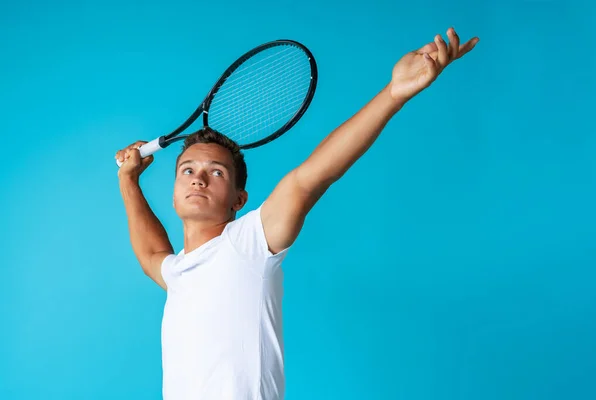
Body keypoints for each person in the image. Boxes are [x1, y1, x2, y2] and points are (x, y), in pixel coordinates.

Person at [116, 28, 478, 400]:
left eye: (217, 172)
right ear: (174, 193)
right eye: (188, 171)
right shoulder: (179, 273)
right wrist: (129, 181)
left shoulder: (249, 243)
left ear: (239, 200)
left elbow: (311, 178)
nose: (199, 179)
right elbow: (150, 255)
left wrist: (393, 94)